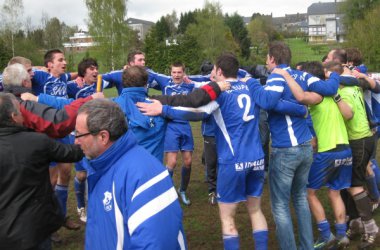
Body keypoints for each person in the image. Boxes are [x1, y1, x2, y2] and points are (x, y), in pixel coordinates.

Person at [137, 53, 307, 250]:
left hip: (232, 162)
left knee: (227, 218)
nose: (211, 73)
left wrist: (163, 110)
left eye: (213, 70)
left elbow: (199, 112)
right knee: (255, 211)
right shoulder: (252, 88)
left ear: (219, 71)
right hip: (257, 160)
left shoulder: (222, 93)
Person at [245, 41, 340, 250]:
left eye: (267, 58)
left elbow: (267, 102)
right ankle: (306, 246)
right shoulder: (302, 75)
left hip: (285, 150)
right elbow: (330, 87)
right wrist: (335, 74)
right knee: (299, 199)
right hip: (306, 147)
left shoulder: (276, 76)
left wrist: (251, 83)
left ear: (272, 59)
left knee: (280, 206)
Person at [74, 98, 187, 250]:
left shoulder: (143, 176)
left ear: (103, 137)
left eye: (79, 135)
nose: (75, 141)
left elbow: (157, 243)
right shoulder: (102, 168)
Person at [273, 61, 352, 249]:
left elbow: (300, 96)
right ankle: (342, 236)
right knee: (335, 192)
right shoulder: (334, 95)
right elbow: (349, 115)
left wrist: (287, 77)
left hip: (327, 151)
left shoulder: (316, 96)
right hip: (345, 149)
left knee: (309, 193)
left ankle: (326, 235)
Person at [0, 93, 84, 250]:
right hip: (34, 230)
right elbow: (73, 153)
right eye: (20, 111)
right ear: (13, 116)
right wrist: (85, 137)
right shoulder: (36, 142)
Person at [326, 48, 379, 249]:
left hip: (358, 140)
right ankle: (356, 222)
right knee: (350, 183)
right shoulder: (352, 83)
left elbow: (347, 115)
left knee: (355, 185)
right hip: (365, 138)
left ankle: (370, 226)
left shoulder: (342, 88)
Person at [2, 63, 98, 138]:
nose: (32, 74)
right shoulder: (25, 103)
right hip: (36, 148)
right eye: (29, 71)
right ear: (25, 82)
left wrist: (81, 74)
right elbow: (58, 123)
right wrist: (90, 100)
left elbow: (68, 75)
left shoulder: (4, 98)